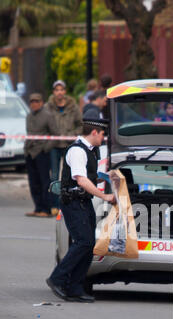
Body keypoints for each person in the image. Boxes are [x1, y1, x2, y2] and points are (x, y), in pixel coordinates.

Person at [46, 116, 115, 303]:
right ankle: (57, 278)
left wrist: (106, 178)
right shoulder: (77, 151)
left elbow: (88, 177)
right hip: (74, 202)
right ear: (94, 132)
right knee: (83, 242)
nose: (104, 138)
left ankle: (75, 288)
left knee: (88, 243)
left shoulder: (90, 151)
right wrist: (105, 196)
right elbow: (81, 180)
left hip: (83, 201)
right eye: (102, 134)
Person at [46, 80, 83, 216]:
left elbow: (80, 125)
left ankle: (67, 203)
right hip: (54, 145)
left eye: (62, 89)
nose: (59, 92)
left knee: (69, 175)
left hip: (69, 145)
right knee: (54, 175)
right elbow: (45, 125)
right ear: (53, 92)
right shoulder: (48, 107)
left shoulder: (73, 107)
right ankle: (54, 205)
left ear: (65, 91)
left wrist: (71, 135)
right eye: (57, 90)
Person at [24, 93, 58, 218]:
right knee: (33, 182)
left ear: (41, 102)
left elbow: (56, 135)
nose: (34, 104)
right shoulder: (28, 116)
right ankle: (38, 207)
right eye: (32, 101)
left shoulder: (48, 115)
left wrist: (46, 148)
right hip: (29, 152)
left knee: (44, 181)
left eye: (37, 101)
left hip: (42, 152)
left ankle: (46, 208)